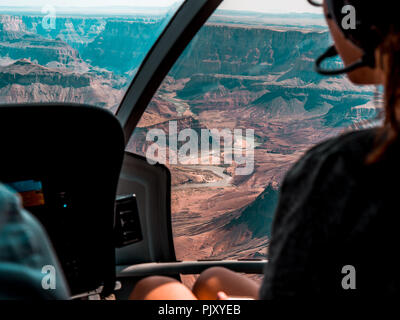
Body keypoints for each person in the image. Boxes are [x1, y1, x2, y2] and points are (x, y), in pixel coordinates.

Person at [130, 0, 400, 299]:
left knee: (156, 289)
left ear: (364, 27)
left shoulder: (343, 169)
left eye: (328, 6)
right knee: (213, 278)